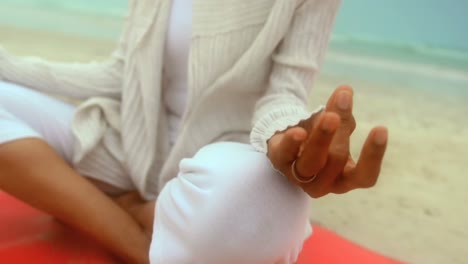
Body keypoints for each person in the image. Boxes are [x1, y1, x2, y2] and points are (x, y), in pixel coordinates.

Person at [0, 0, 388, 263]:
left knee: (271, 198)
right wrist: (8, 65)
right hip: (128, 147)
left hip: (217, 160)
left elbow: (285, 91)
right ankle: (136, 237)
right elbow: (122, 73)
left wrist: (285, 133)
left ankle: (130, 206)